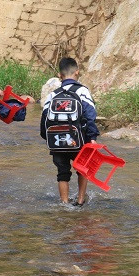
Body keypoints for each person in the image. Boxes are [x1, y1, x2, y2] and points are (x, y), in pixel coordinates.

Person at [40, 57, 99, 206]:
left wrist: (49, 140)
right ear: (77, 72)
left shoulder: (53, 95)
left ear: (60, 76)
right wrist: (92, 137)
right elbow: (90, 115)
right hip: (79, 141)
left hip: (57, 141)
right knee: (83, 169)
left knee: (62, 173)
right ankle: (80, 201)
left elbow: (44, 121)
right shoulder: (82, 91)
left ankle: (65, 204)